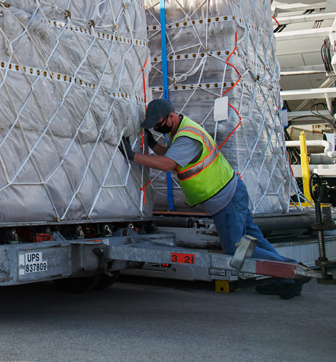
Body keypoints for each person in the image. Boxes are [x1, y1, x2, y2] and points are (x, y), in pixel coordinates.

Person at [121, 98, 309, 299]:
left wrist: (132, 156)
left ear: (172, 116)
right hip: (232, 192)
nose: (158, 128)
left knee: (235, 249)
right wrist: (153, 143)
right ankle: (285, 280)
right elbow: (172, 156)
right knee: (257, 242)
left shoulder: (186, 137)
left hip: (225, 199)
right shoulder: (184, 129)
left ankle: (293, 270)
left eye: (159, 124)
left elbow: (168, 164)